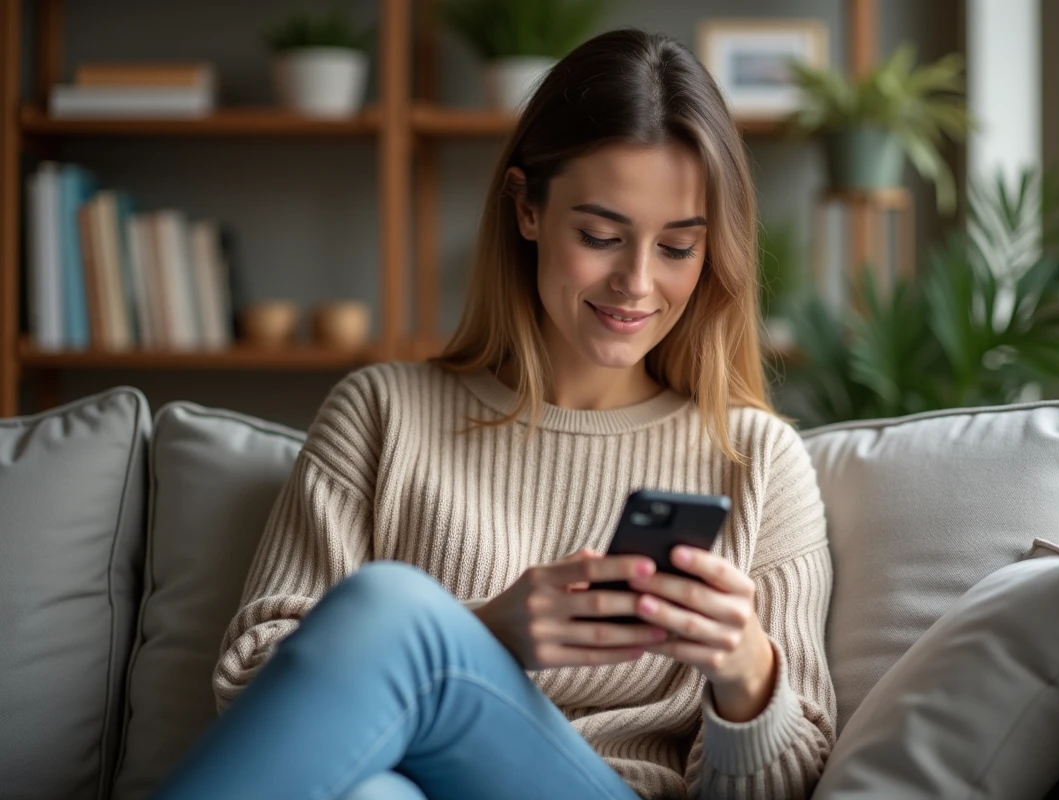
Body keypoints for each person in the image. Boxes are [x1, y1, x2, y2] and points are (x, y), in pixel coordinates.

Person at [153, 27, 835, 800]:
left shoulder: (754, 459)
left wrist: (745, 669)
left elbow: (787, 788)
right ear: (528, 210)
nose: (637, 283)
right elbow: (256, 690)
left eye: (677, 249)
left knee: (390, 604)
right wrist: (487, 633)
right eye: (601, 236)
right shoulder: (382, 412)